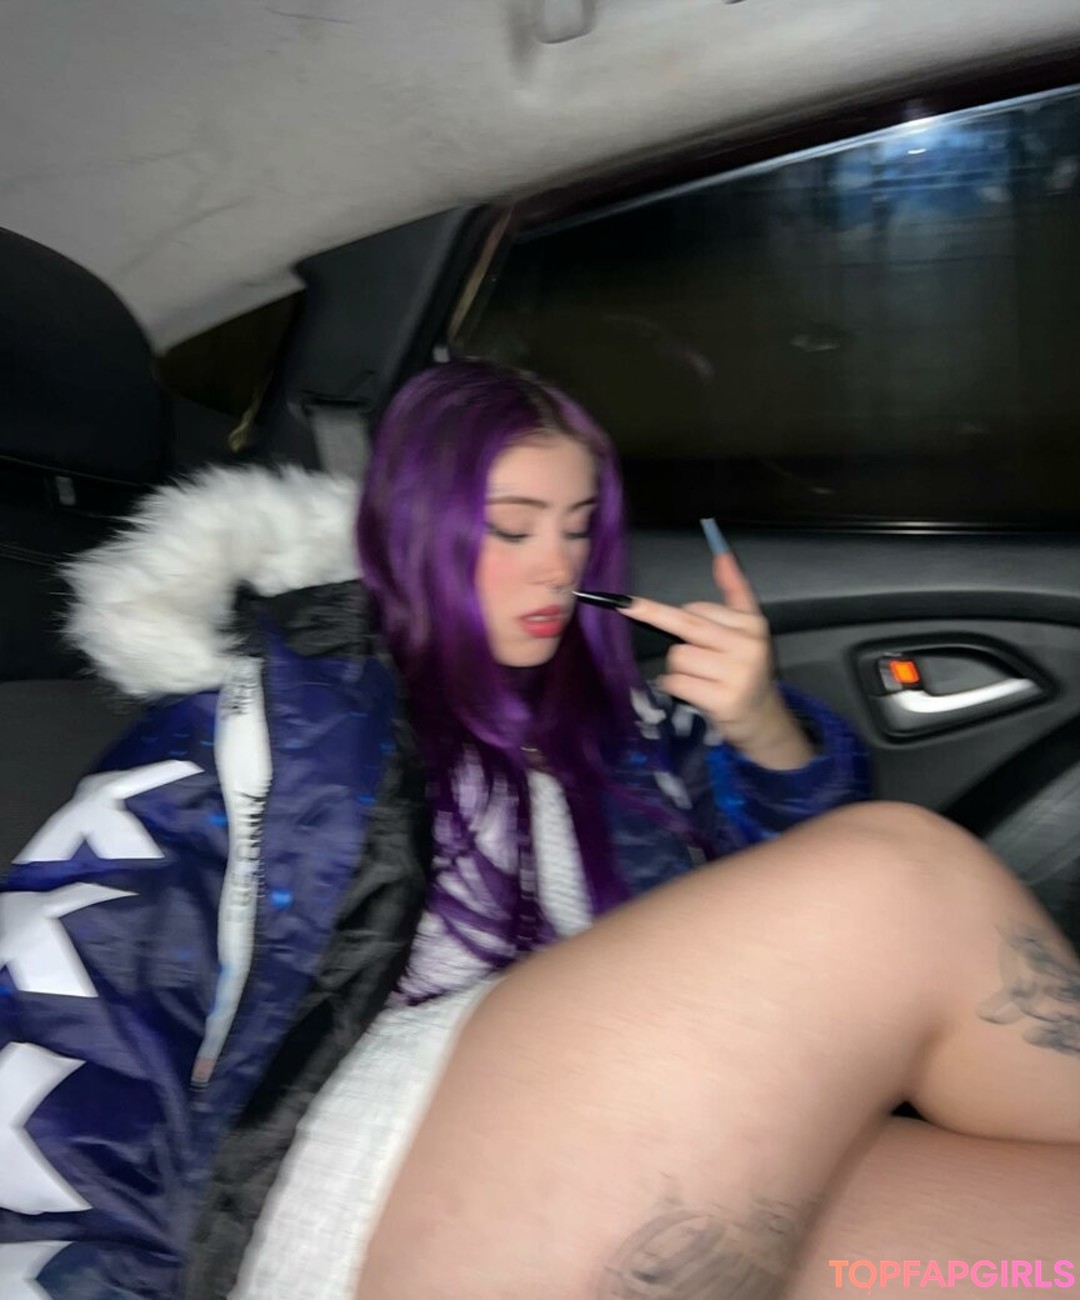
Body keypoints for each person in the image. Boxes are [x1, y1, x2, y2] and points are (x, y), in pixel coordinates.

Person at [0, 362, 1073, 1300]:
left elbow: (790, 981)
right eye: (510, 529)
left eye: (577, 526)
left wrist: (762, 729)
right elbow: (70, 1020)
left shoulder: (626, 728)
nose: (557, 568)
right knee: (898, 875)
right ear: (413, 528)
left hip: (614, 1145)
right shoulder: (258, 733)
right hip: (338, 1181)